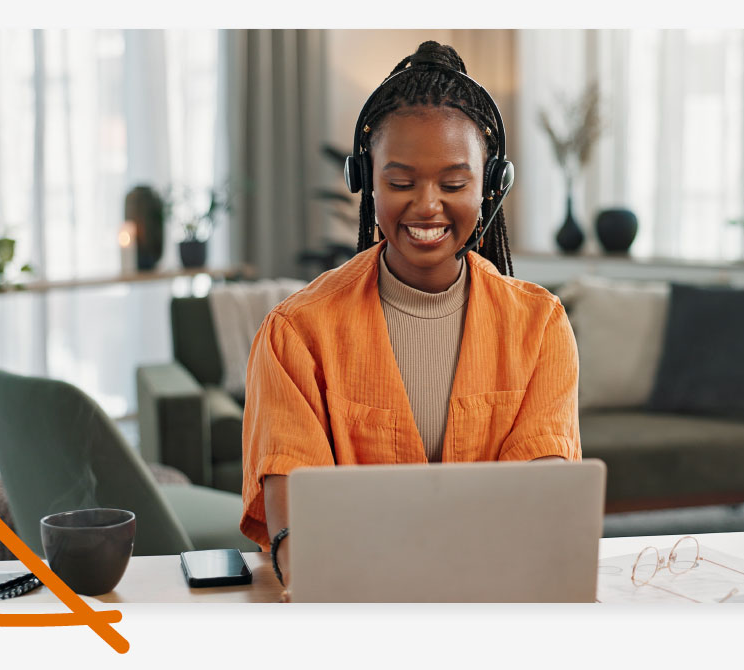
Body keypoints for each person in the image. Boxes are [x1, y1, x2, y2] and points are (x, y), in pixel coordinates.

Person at [238, 41, 582, 592]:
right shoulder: (295, 335)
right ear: (365, 181)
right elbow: (298, 540)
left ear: (492, 185)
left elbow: (542, 518)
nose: (426, 205)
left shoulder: (539, 327)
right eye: (400, 183)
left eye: (453, 184)